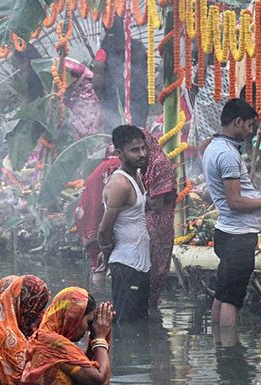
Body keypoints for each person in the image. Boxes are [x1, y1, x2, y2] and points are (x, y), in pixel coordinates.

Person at [202, 99, 261, 331]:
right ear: (237, 122)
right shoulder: (228, 155)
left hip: (226, 232)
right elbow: (235, 202)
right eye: (249, 125)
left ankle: (220, 345)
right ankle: (230, 354)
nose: (251, 131)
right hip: (238, 236)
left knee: (222, 293)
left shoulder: (214, 147)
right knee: (233, 299)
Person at [98, 125, 152, 321]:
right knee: (126, 326)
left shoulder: (136, 175)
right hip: (125, 265)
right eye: (135, 150)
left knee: (139, 322)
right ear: (119, 153)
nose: (142, 154)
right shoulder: (120, 184)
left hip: (140, 265)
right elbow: (104, 230)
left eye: (143, 148)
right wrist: (105, 256)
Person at [143, 128, 178, 308]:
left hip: (158, 227)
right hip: (146, 230)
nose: (140, 154)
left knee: (155, 275)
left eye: (142, 148)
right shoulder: (145, 163)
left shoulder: (159, 164)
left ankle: (150, 317)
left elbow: (156, 205)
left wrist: (137, 194)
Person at [93, 20, 150, 131]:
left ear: (106, 29)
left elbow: (97, 82)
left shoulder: (103, 51)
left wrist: (101, 100)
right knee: (137, 134)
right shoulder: (140, 47)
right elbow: (147, 72)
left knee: (116, 138)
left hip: (113, 103)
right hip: (140, 101)